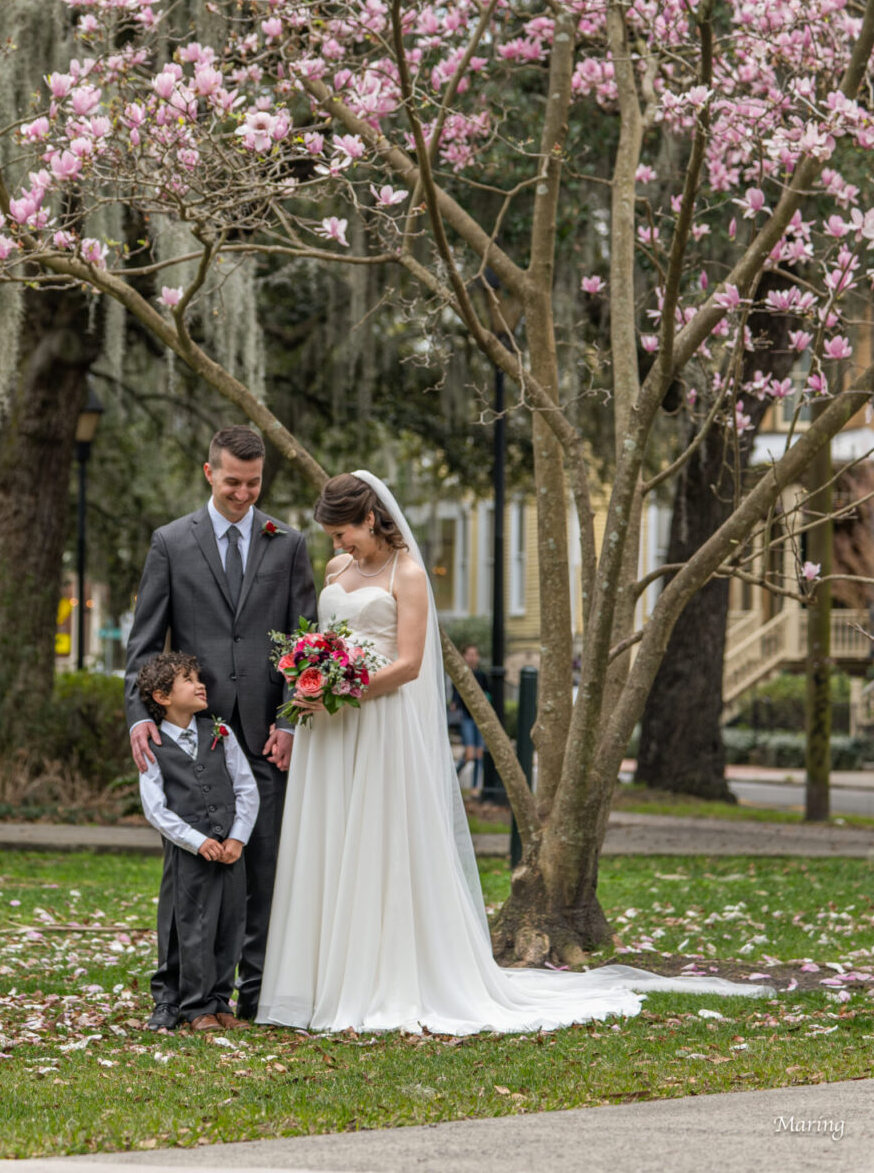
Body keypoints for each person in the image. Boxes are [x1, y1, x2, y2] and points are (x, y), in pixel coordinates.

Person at [257, 470, 772, 1035]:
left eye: (343, 533)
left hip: (379, 724)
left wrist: (341, 691)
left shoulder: (408, 575)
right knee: (329, 838)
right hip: (331, 728)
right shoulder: (337, 571)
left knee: (376, 841)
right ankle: (314, 980)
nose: (338, 548)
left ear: (371, 518)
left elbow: (408, 664)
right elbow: (328, 641)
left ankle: (374, 977)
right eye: (332, 538)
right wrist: (312, 678)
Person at [125, 425, 318, 1025]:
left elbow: (304, 643)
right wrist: (139, 716)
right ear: (209, 473)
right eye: (232, 481)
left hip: (264, 737)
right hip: (189, 739)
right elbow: (143, 643)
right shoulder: (171, 543)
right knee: (188, 874)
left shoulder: (287, 544)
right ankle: (179, 997)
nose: (243, 493)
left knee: (261, 868)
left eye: (254, 483)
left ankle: (255, 998)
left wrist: (290, 722)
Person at [136, 651, 259, 1033]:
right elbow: (154, 808)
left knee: (229, 924)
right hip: (190, 853)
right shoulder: (153, 746)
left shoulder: (219, 731)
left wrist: (237, 838)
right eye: (188, 679)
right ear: (162, 696)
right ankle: (194, 1006)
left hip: (229, 851)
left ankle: (222, 1002)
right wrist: (194, 840)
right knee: (192, 927)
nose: (200, 684)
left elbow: (246, 787)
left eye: (198, 677)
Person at [455, 642, 491, 791]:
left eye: (475, 654)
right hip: (466, 717)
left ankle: (475, 787)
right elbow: (456, 698)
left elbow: (489, 694)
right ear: (464, 656)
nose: (472, 657)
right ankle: (452, 780)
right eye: (469, 654)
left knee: (478, 754)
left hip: (479, 718)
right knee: (469, 754)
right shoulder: (459, 675)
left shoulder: (482, 676)